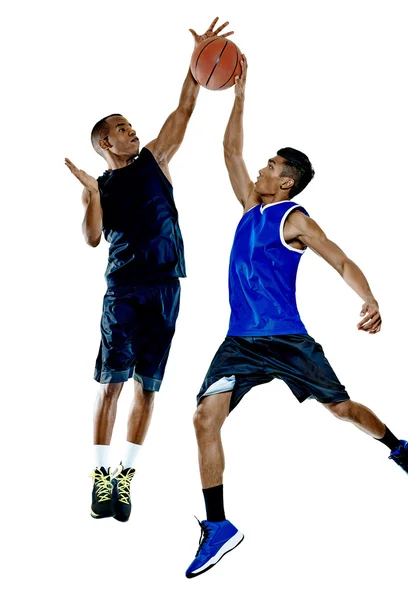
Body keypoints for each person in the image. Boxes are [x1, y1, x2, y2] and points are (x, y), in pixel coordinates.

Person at [185, 56, 408, 578]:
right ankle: (218, 526)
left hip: (287, 341)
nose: (260, 167)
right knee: (203, 418)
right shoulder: (247, 207)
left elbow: (339, 258)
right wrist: (238, 95)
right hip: (239, 343)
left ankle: (400, 450)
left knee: (342, 411)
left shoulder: (292, 218)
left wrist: (368, 299)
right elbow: (229, 150)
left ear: (285, 182)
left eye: (271, 165)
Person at [65, 17, 234, 523]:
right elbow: (93, 237)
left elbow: (184, 109)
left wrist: (197, 62)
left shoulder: (156, 160)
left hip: (165, 287)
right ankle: (99, 476)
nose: (131, 130)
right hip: (123, 290)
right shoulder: (100, 186)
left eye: (131, 125)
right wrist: (91, 196)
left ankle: (126, 478)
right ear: (104, 144)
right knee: (112, 384)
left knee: (148, 388)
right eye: (121, 129)